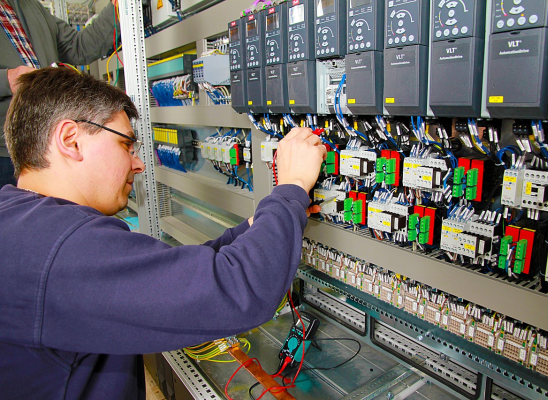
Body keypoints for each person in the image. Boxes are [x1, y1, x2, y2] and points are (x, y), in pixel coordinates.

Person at [0, 67, 326, 399]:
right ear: (70, 140)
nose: (138, 163)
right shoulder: (60, 249)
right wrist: (292, 186)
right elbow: (240, 291)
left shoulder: (24, 224)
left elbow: (178, 273)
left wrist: (261, 225)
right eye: (126, 145)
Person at [0, 0, 120, 187]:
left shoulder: (29, 6)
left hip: (47, 145)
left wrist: (117, 7)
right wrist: (7, 79)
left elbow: (79, 47)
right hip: (5, 154)